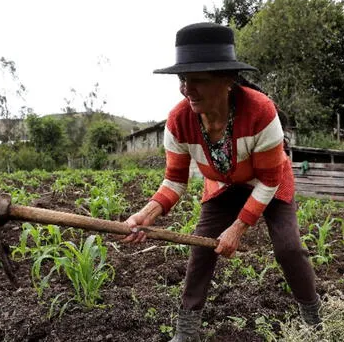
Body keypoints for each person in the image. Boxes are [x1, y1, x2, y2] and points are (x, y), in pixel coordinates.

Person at [123, 22, 321, 341]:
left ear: (227, 80)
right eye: (183, 80)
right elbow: (174, 181)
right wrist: (147, 214)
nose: (188, 89)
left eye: (198, 80)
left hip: (269, 183)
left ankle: (314, 321)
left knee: (289, 249)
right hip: (223, 186)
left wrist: (238, 227)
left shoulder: (260, 112)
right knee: (201, 250)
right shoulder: (179, 120)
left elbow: (270, 180)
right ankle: (186, 333)